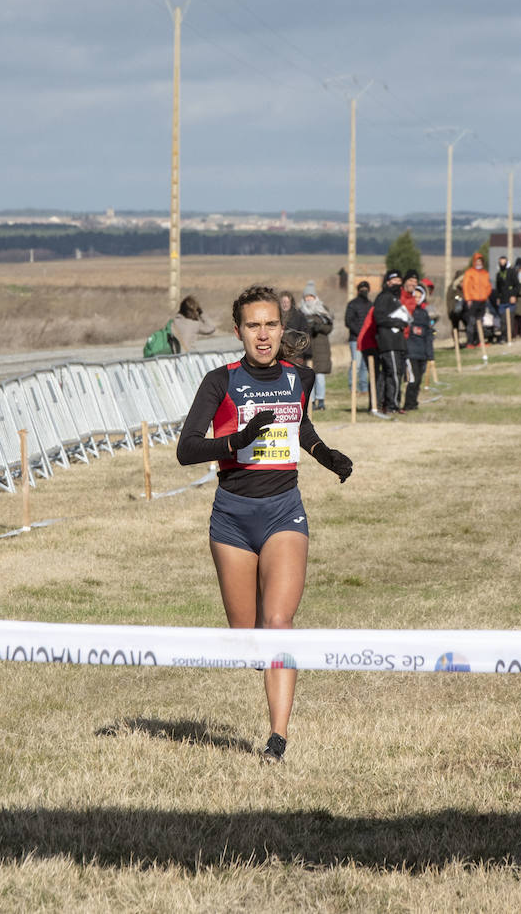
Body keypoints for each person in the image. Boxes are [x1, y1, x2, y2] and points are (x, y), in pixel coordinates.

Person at [175, 285, 353, 764]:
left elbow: (301, 426)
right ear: (238, 331)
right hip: (232, 517)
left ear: (282, 327)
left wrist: (324, 454)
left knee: (279, 624)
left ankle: (277, 738)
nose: (263, 334)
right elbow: (186, 449)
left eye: (270, 324)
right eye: (253, 325)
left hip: (283, 510)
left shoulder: (300, 377)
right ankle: (260, 653)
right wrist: (236, 441)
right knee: (249, 638)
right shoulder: (219, 381)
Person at [372, 270, 409, 413]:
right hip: (388, 342)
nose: (397, 283)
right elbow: (379, 318)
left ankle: (388, 403)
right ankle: (392, 405)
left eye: (400, 281)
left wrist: (403, 322)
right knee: (393, 373)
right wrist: (396, 322)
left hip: (398, 342)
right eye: (394, 280)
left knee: (394, 373)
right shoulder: (384, 297)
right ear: (388, 282)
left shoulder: (396, 299)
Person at [300, 281, 333, 411]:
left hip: (321, 349)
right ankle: (311, 401)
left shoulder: (323, 310)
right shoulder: (301, 312)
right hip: (307, 348)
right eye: (306, 297)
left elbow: (329, 327)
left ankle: (321, 400)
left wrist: (319, 327)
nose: (309, 299)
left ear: (315, 297)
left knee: (320, 376)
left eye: (311, 296)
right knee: (309, 377)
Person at [403, 275, 434, 410]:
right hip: (410, 352)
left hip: (422, 352)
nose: (416, 298)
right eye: (414, 295)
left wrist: (430, 355)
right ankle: (408, 403)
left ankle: (414, 402)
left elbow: (428, 335)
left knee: (418, 381)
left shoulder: (424, 314)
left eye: (419, 295)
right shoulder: (407, 311)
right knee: (412, 380)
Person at [344, 280, 372, 396]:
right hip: (355, 339)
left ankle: (364, 388)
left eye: (366, 289)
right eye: (362, 289)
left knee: (365, 366)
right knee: (356, 364)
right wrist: (360, 333)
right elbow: (348, 321)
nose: (364, 291)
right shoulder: (352, 304)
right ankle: (353, 388)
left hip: (367, 339)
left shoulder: (371, 304)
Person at [460, 253, 491, 348]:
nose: (479, 263)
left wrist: (486, 295)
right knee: (471, 322)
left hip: (482, 301)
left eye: (480, 261)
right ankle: (470, 342)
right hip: (473, 300)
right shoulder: (469, 273)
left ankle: (479, 341)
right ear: (474, 262)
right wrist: (468, 299)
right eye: (477, 261)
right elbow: (466, 286)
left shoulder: (485, 273)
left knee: (480, 322)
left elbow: (488, 286)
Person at [278, 290, 309, 367]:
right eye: (283, 302)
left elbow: (304, 337)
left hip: (295, 354)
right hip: (279, 354)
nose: (285, 304)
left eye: (287, 302)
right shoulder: (276, 317)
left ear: (291, 303)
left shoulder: (299, 316)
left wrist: (300, 355)